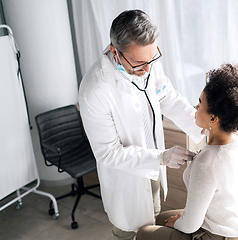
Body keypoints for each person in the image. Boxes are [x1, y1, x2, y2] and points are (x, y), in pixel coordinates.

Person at [78, 9, 204, 240]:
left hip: (153, 170)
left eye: (152, 59)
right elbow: (108, 153)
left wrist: (204, 129)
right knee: (130, 233)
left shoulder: (148, 62)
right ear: (115, 52)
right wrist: (161, 157)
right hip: (127, 180)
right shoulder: (95, 90)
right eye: (138, 63)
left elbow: (168, 97)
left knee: (152, 226)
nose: (147, 69)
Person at [136, 62, 238, 240]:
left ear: (214, 118)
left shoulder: (207, 163)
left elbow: (190, 225)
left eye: (200, 104)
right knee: (162, 218)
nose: (195, 108)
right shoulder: (237, 139)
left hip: (221, 236)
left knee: (143, 233)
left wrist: (180, 221)